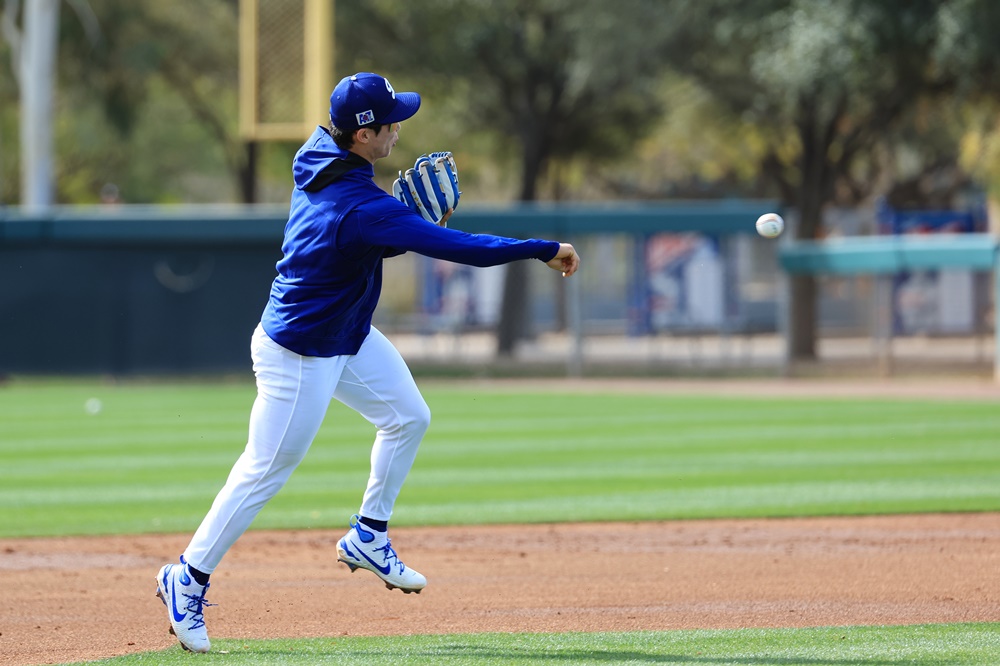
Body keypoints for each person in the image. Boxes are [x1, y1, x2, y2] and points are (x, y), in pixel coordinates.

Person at [154, 71, 580, 653]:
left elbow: (364, 229)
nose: (399, 128)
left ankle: (368, 535)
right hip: (301, 351)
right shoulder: (363, 207)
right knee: (264, 471)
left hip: (346, 332)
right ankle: (186, 576)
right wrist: (542, 248)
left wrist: (395, 223)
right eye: (390, 121)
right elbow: (462, 250)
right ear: (361, 135)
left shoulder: (319, 151)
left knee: (409, 417)